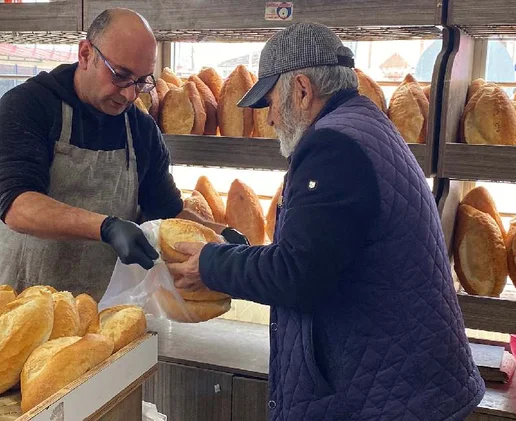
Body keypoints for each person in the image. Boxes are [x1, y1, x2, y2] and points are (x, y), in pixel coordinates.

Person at [168, 23, 485, 420]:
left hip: (386, 397)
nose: (269, 122)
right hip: (399, 384)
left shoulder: (333, 147)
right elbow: (319, 253)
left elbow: (298, 275)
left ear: (301, 89)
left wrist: (212, 264)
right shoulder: (364, 126)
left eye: (269, 104)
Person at [0, 8, 246, 299]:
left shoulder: (141, 130)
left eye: (141, 81)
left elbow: (167, 212)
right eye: (120, 75)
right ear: (85, 54)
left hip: (96, 303)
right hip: (15, 296)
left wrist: (220, 235)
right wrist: (106, 227)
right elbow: (17, 205)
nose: (130, 95)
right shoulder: (30, 105)